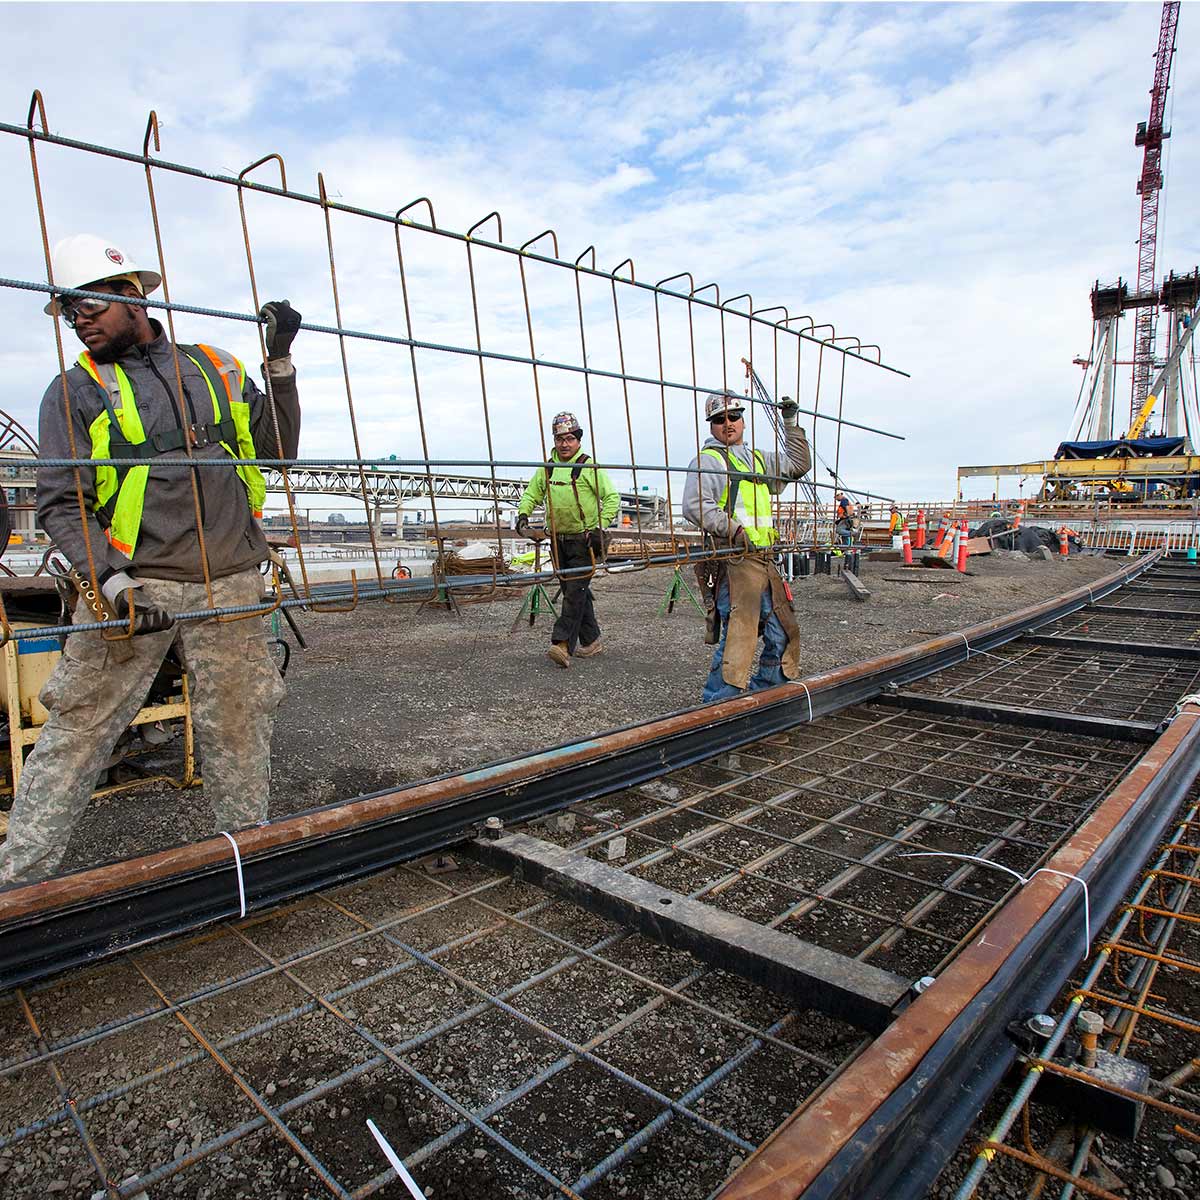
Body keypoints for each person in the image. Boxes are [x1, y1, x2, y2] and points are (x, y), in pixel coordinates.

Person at [0, 234, 302, 886]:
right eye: (69, 310)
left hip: (231, 585)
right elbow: (61, 501)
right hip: (134, 589)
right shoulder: (74, 392)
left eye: (87, 304)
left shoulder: (216, 370)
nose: (79, 319)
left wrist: (278, 363)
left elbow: (276, 449)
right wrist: (108, 580)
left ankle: (241, 872)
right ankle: (15, 892)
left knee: (240, 734)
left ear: (130, 295)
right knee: (75, 737)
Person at [682, 391, 811, 702]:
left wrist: (790, 424)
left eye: (733, 416)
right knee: (739, 639)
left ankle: (765, 699)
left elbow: (798, 465)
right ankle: (717, 706)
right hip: (735, 563)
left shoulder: (757, 460)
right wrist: (733, 529)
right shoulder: (709, 461)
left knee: (783, 632)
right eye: (719, 419)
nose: (728, 423)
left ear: (742, 420)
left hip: (764, 561)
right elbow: (695, 506)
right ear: (711, 426)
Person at [516, 411, 619, 668]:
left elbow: (612, 498)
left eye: (570, 438)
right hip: (558, 540)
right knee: (573, 590)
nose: (564, 444)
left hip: (584, 540)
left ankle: (561, 644)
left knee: (574, 593)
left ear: (578, 440)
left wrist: (599, 526)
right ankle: (592, 640)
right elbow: (532, 494)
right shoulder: (547, 469)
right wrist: (523, 514)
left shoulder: (587, 466)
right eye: (560, 439)